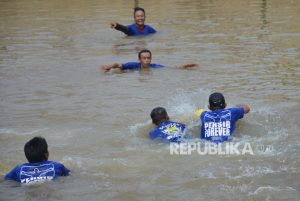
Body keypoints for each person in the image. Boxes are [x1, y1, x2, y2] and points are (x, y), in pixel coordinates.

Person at [4, 136, 70, 184]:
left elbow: (6, 181)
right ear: (46, 154)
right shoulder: (57, 166)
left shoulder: (18, 170)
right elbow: (69, 175)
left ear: (27, 155)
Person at [101, 49, 198, 72]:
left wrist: (185, 66)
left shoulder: (154, 67)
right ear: (139, 59)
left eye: (148, 58)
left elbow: (170, 68)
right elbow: (118, 65)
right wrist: (109, 66)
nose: (147, 60)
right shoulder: (133, 65)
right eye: (144, 58)